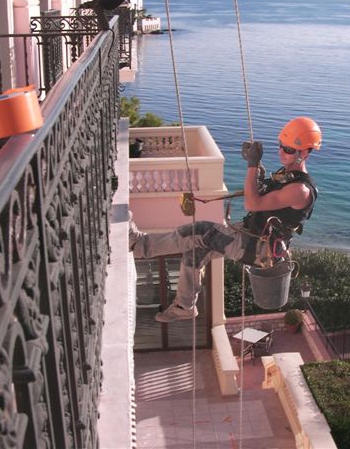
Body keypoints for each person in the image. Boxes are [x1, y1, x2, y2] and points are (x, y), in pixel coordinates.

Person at [129, 116, 322, 322]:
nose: (281, 151)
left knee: (200, 230)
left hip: (257, 247)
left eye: (289, 149)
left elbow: (253, 204)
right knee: (196, 252)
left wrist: (252, 165)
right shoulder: (286, 176)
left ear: (304, 153)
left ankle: (140, 245)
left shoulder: (299, 190)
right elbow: (260, 198)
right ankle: (184, 305)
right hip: (251, 236)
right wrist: (256, 172)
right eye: (281, 146)